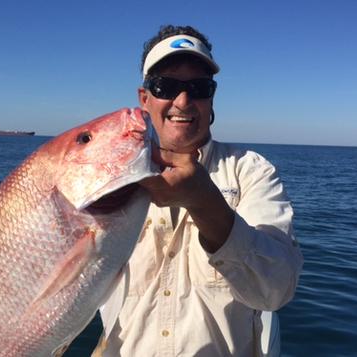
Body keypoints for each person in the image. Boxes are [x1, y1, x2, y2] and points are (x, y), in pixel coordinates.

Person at [93, 25, 303, 357]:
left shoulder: (250, 170)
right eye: (166, 86)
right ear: (144, 99)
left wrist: (204, 202)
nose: (183, 101)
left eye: (199, 88)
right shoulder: (108, 174)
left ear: (212, 97)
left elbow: (275, 290)